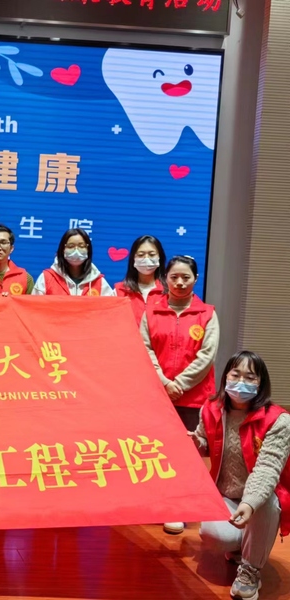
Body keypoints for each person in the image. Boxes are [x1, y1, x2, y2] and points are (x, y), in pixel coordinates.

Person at [192, 351, 290, 600]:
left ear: (261, 383)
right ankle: (241, 546)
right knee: (214, 536)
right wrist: (197, 443)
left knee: (266, 502)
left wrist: (249, 503)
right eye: (235, 375)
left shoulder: (278, 420)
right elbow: (205, 440)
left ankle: (250, 570)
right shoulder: (211, 409)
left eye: (250, 377)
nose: (241, 382)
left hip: (260, 499)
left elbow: (268, 467)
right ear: (225, 377)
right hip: (226, 493)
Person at [141, 255, 219, 535]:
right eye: (174, 277)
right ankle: (155, 503)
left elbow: (207, 356)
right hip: (157, 395)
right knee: (156, 450)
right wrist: (164, 383)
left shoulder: (207, 314)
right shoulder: (151, 312)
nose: (180, 282)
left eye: (186, 277)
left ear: (195, 279)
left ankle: (178, 509)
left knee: (187, 454)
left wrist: (180, 384)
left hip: (193, 398)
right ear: (165, 279)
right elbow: (144, 349)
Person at [32, 228, 115, 296]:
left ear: (88, 250)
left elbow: (110, 308)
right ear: (62, 250)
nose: (76, 250)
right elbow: (34, 307)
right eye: (71, 246)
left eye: (81, 246)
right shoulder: (46, 279)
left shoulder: (99, 282)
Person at [114, 235, 167, 324]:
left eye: (152, 255)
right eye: (141, 255)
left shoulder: (169, 291)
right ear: (133, 259)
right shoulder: (119, 291)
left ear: (160, 258)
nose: (146, 259)